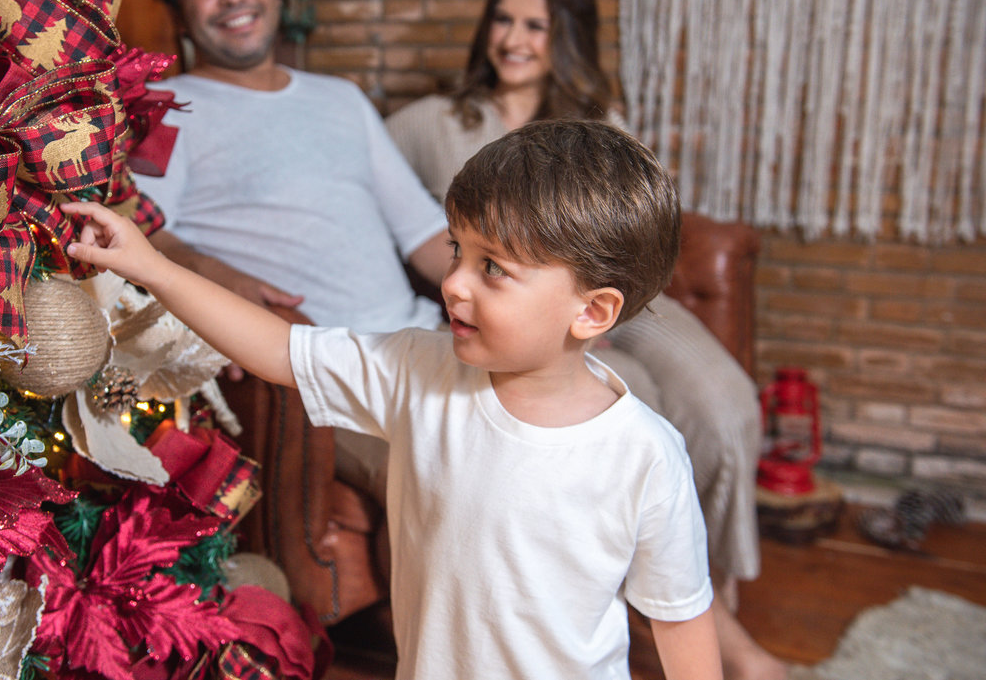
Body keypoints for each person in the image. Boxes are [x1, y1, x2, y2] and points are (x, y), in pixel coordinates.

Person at [63, 119, 722, 680]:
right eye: (458, 250)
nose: (455, 284)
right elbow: (276, 347)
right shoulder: (415, 370)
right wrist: (150, 266)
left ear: (592, 310)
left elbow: (681, 620)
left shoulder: (646, 457)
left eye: (493, 268)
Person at [385, 0, 786, 680]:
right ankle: (634, 607)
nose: (513, 37)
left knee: (726, 407)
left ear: (565, 36)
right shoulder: (435, 122)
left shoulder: (599, 124)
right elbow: (374, 189)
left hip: (619, 302)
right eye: (502, 19)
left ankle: (707, 596)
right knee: (634, 413)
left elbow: (641, 230)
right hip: (533, 324)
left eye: (535, 25)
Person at [138, 0, 452, 496]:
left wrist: (509, 287)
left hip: (422, 341)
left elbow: (423, 231)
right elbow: (144, 228)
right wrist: (214, 275)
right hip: (325, 371)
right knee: (452, 476)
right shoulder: (166, 108)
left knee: (607, 408)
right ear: (179, 12)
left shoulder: (340, 98)